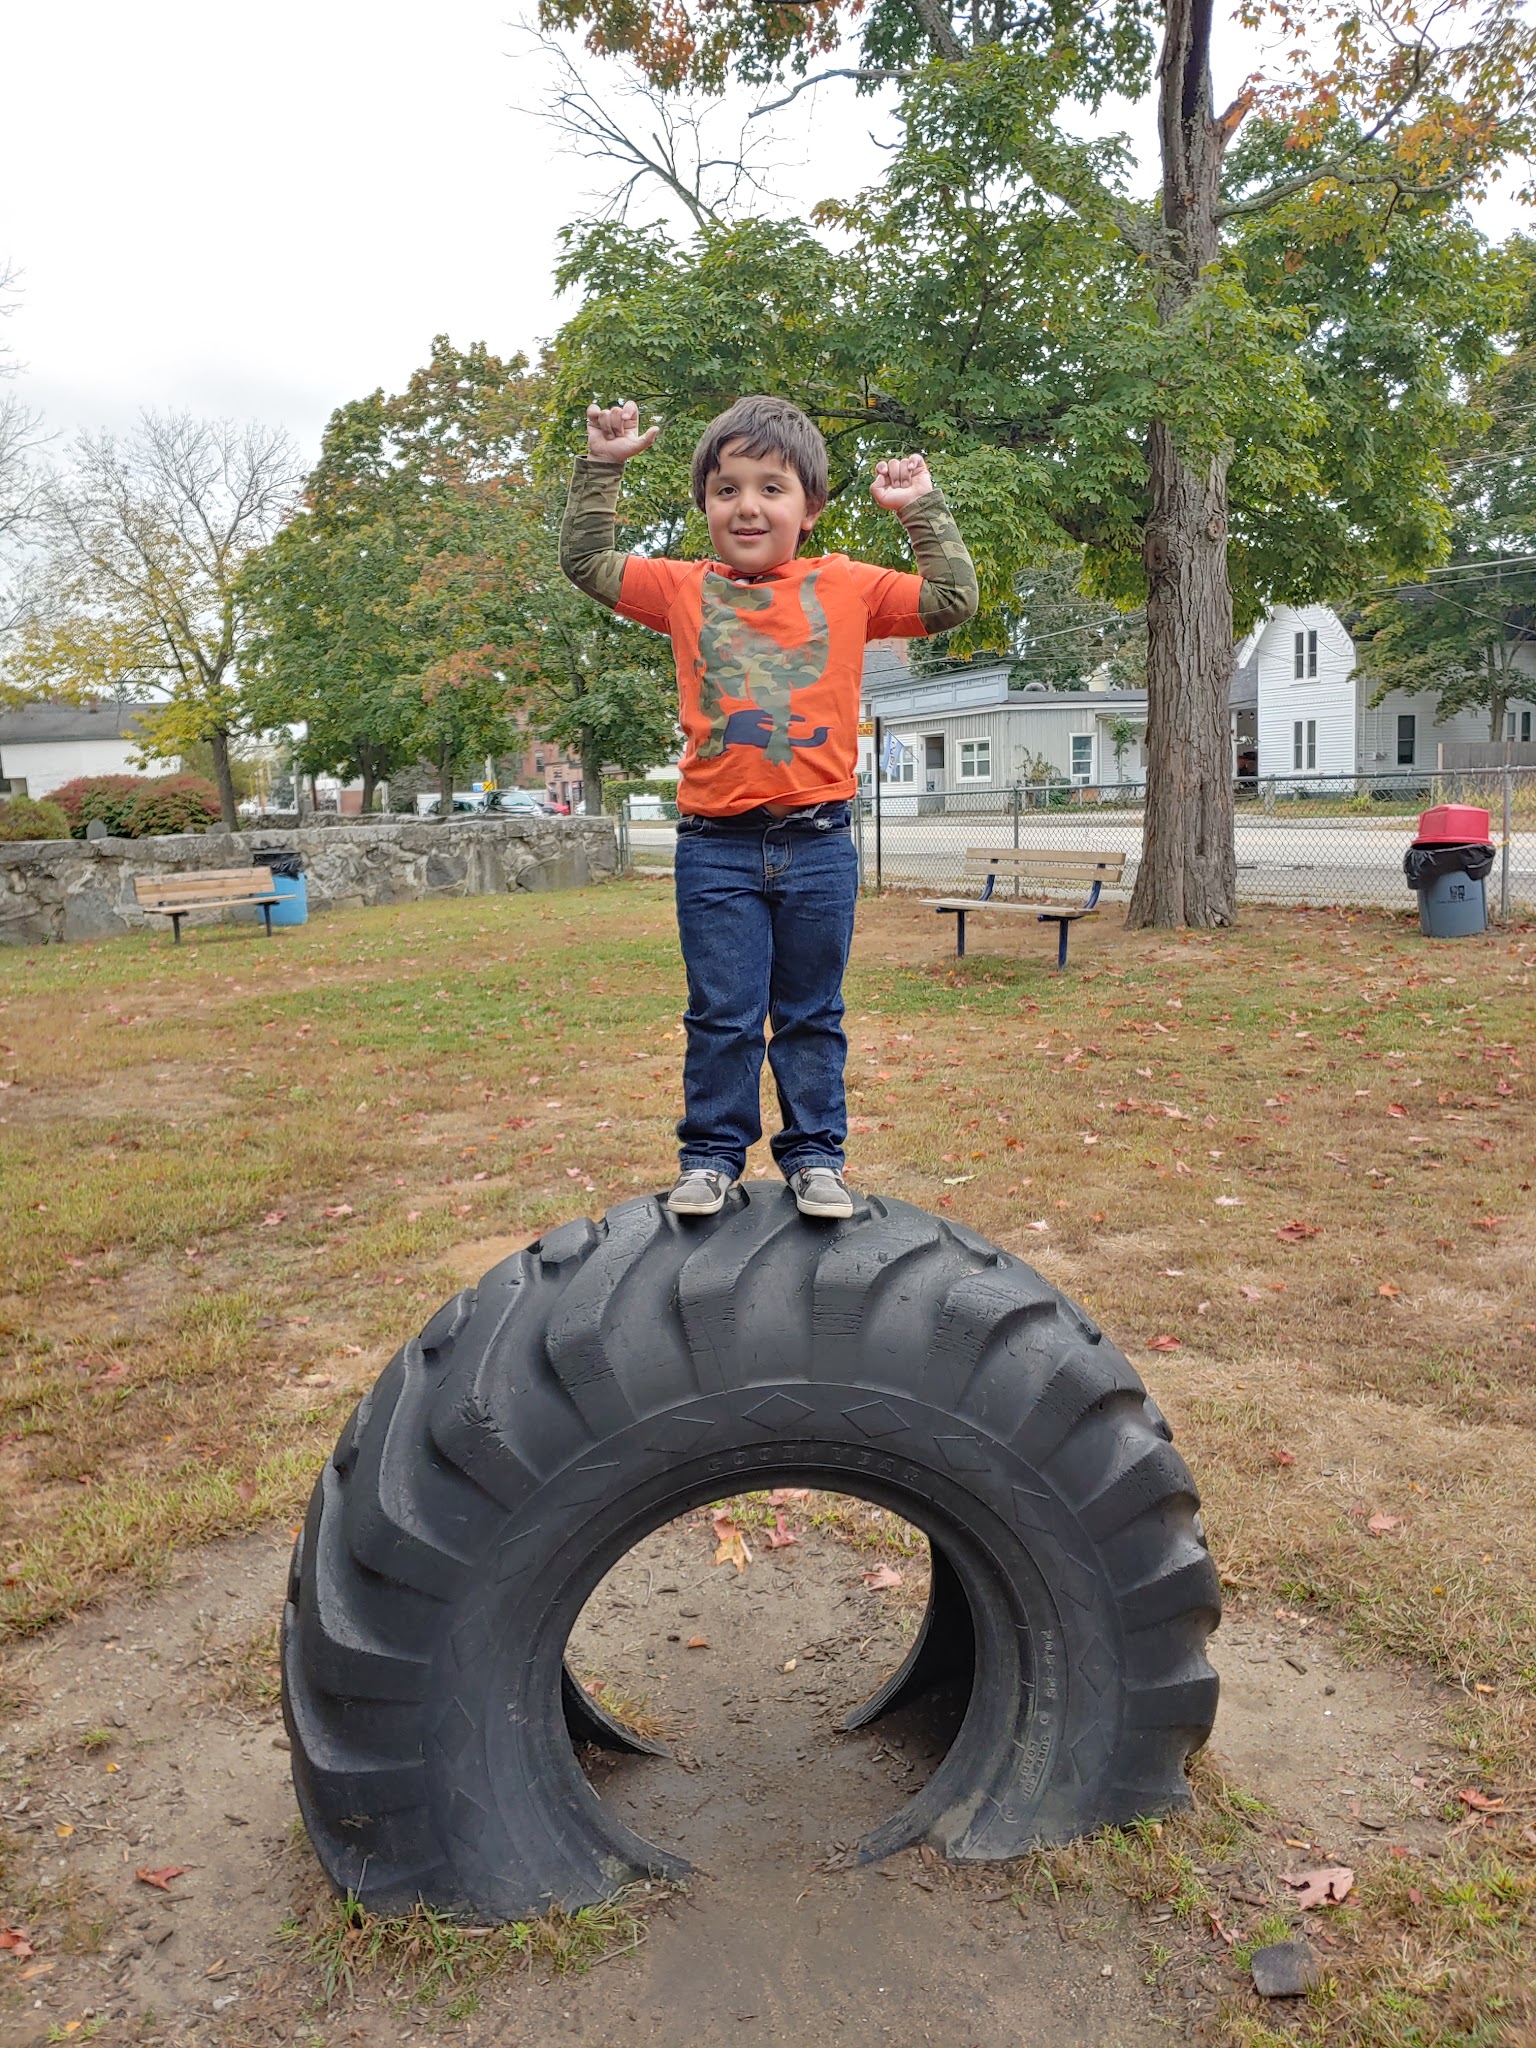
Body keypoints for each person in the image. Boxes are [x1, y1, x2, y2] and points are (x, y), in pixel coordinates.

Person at [560, 394, 977, 1220]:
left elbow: (951, 600)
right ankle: (711, 1156)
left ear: (810, 508)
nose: (747, 505)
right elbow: (589, 563)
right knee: (723, 1015)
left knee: (811, 1014)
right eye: (726, 489)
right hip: (715, 848)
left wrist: (920, 509)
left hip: (819, 843)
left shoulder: (849, 585)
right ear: (705, 506)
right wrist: (603, 467)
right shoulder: (684, 589)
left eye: (771, 488)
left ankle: (816, 1156)